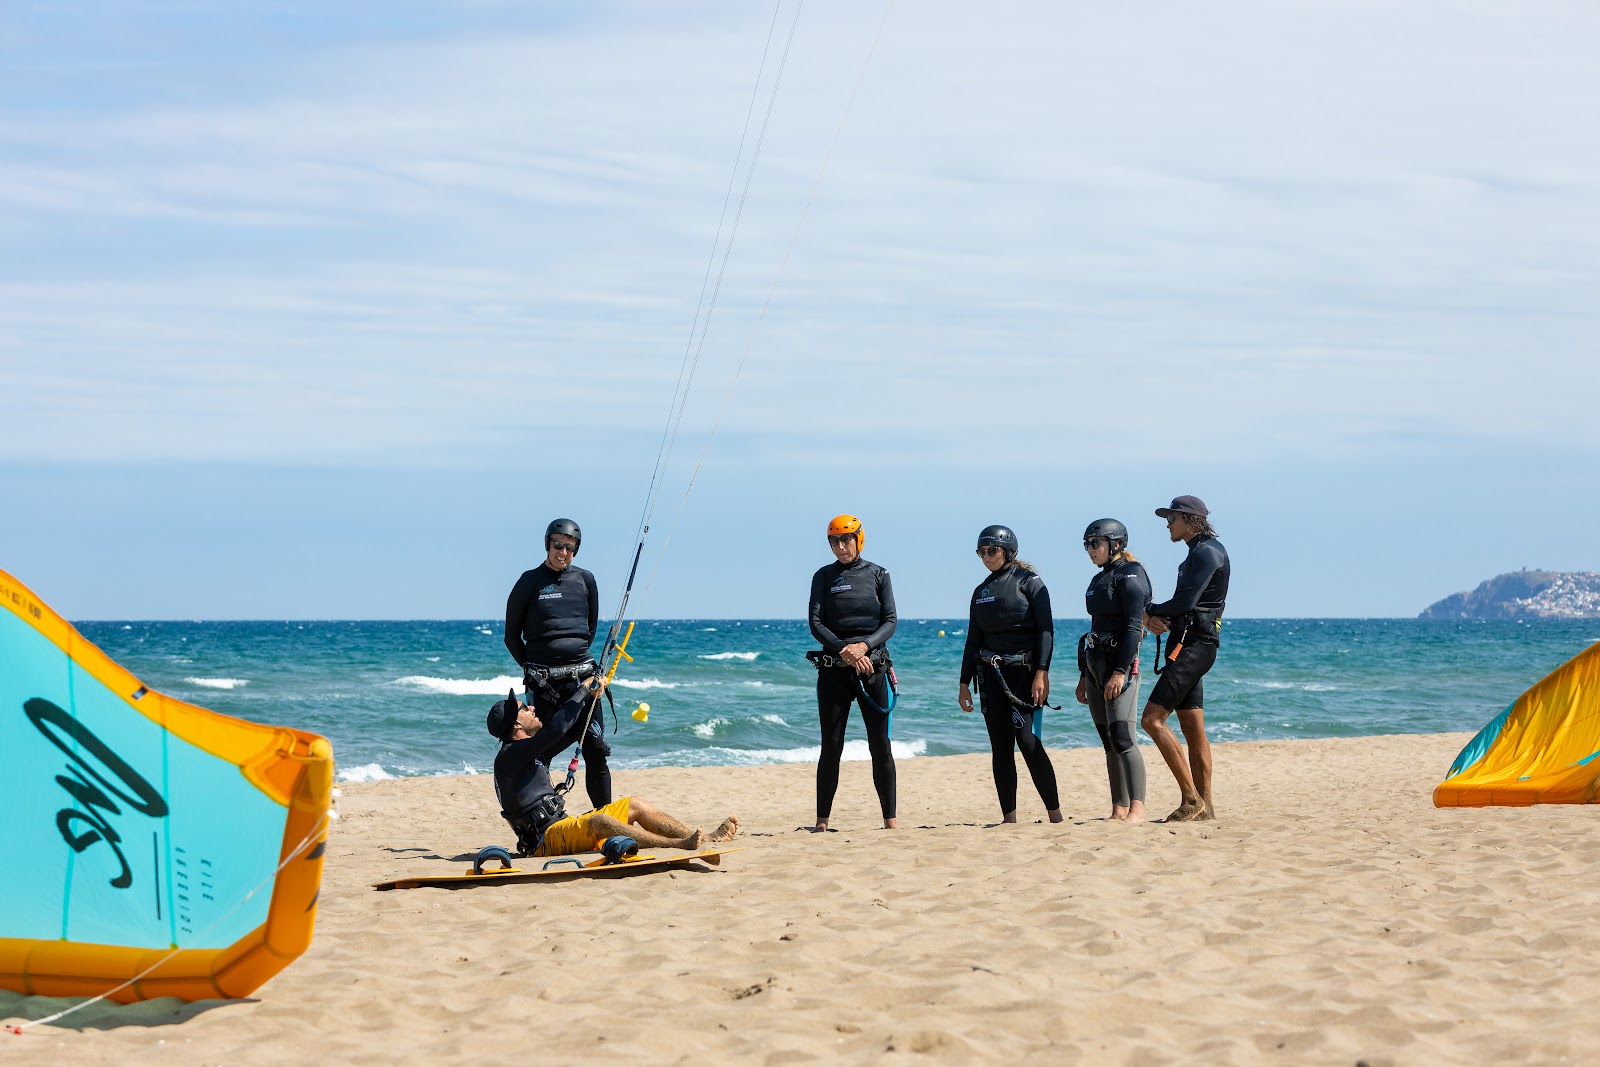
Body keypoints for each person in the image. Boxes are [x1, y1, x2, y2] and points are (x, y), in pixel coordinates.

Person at [488, 683, 739, 857]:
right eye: (525, 708)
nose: (532, 708)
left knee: (636, 804)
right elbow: (555, 730)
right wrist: (582, 687)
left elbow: (572, 728)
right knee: (600, 820)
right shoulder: (509, 756)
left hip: (563, 828)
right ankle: (678, 844)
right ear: (517, 723)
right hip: (545, 842)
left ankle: (704, 838)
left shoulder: (530, 752)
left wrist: (593, 694)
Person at [958, 525, 1064, 824]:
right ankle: (1009, 818)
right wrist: (964, 683)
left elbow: (1046, 629)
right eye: (982, 551)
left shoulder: (1029, 582)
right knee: (1000, 748)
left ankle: (1055, 816)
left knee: (1027, 741)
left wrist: (1042, 672)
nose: (986, 556)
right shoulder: (981, 592)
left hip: (1023, 676)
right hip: (990, 677)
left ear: (1008, 551)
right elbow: (972, 640)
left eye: (992, 550)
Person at [503, 518, 612, 809]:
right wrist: (532, 669)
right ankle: (543, 814)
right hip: (546, 685)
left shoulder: (586, 580)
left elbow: (589, 628)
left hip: (583, 680)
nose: (563, 552)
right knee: (541, 752)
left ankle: (605, 818)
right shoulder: (529, 581)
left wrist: (577, 662)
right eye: (558, 545)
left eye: (570, 548)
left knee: (596, 750)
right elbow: (511, 636)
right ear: (547, 544)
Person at [806, 513, 898, 832]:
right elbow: (816, 623)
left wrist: (864, 647)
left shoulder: (878, 574)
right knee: (831, 746)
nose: (841, 546)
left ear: (859, 538)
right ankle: (821, 822)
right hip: (833, 672)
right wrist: (844, 650)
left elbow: (890, 621)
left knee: (880, 744)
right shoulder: (823, 577)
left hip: (873, 670)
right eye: (834, 541)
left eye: (846, 539)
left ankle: (890, 821)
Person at [1141, 495, 1230, 823]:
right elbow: (1185, 605)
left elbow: (1185, 602)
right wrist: (1164, 617)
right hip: (1189, 642)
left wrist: (1149, 610)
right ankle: (1206, 808)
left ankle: (1191, 799)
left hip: (1195, 646)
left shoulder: (1206, 552)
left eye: (1172, 518)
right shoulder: (1197, 553)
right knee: (1192, 729)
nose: (1167, 524)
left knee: (1151, 720)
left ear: (1191, 519)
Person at [1075, 519, 1151, 824]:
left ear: (1116, 544)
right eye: (1087, 545)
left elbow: (1134, 627)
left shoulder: (1131, 575)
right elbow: (1095, 628)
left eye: (1096, 543)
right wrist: (1084, 674)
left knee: (1123, 736)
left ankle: (1138, 809)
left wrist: (1120, 672)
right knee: (1108, 740)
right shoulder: (1099, 579)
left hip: (1120, 666)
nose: (1090, 550)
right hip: (1095, 665)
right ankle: (1118, 808)